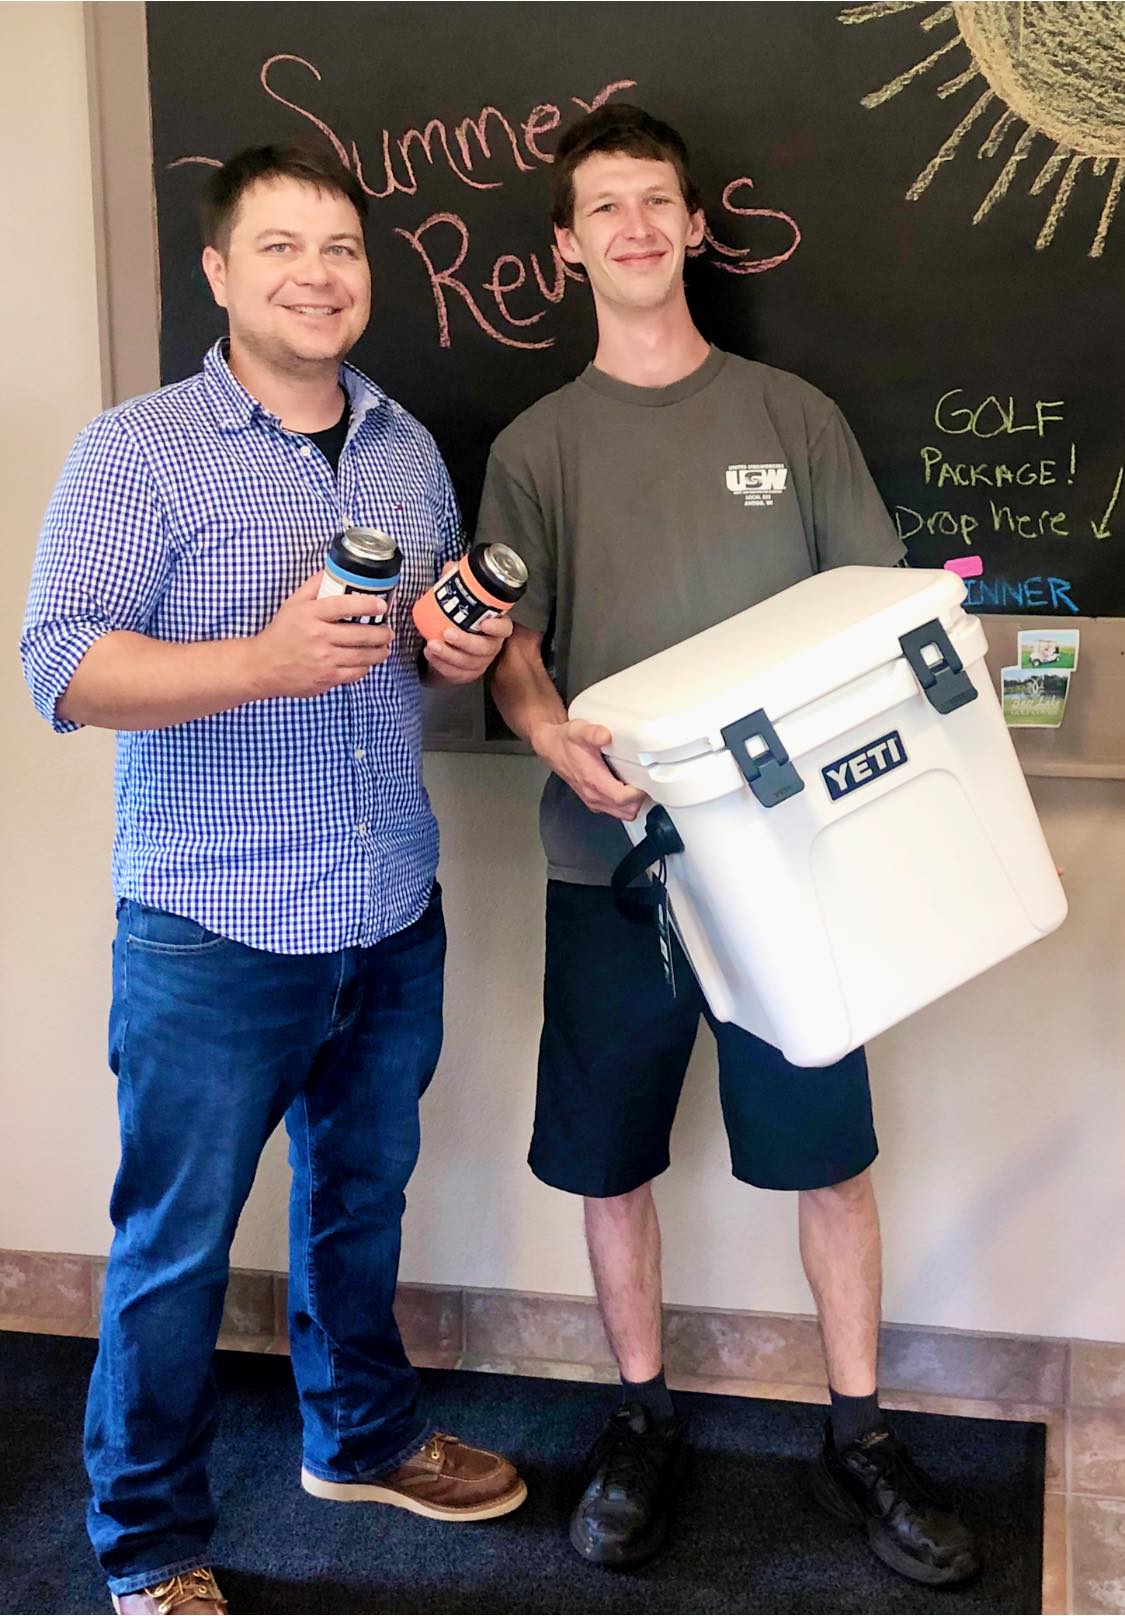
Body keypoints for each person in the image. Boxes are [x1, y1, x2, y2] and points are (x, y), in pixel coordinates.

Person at [21, 145, 524, 1616]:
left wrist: (454, 653)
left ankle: (358, 1440)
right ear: (220, 273)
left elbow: (412, 662)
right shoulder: (140, 448)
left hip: (389, 906)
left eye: (343, 249)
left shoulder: (405, 448)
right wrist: (260, 658)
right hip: (213, 924)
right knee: (174, 1249)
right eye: (283, 247)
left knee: (360, 1202)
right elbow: (61, 670)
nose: (319, 274)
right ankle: (146, 1546)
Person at [485, 105, 978, 1585]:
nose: (634, 228)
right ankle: (641, 1419)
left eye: (657, 202)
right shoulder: (534, 447)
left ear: (696, 227)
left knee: (828, 1160)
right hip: (611, 873)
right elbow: (512, 649)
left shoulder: (789, 417)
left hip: (790, 877)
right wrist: (547, 732)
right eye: (604, 207)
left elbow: (875, 621)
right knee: (608, 1164)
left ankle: (859, 1434)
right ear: (566, 246)